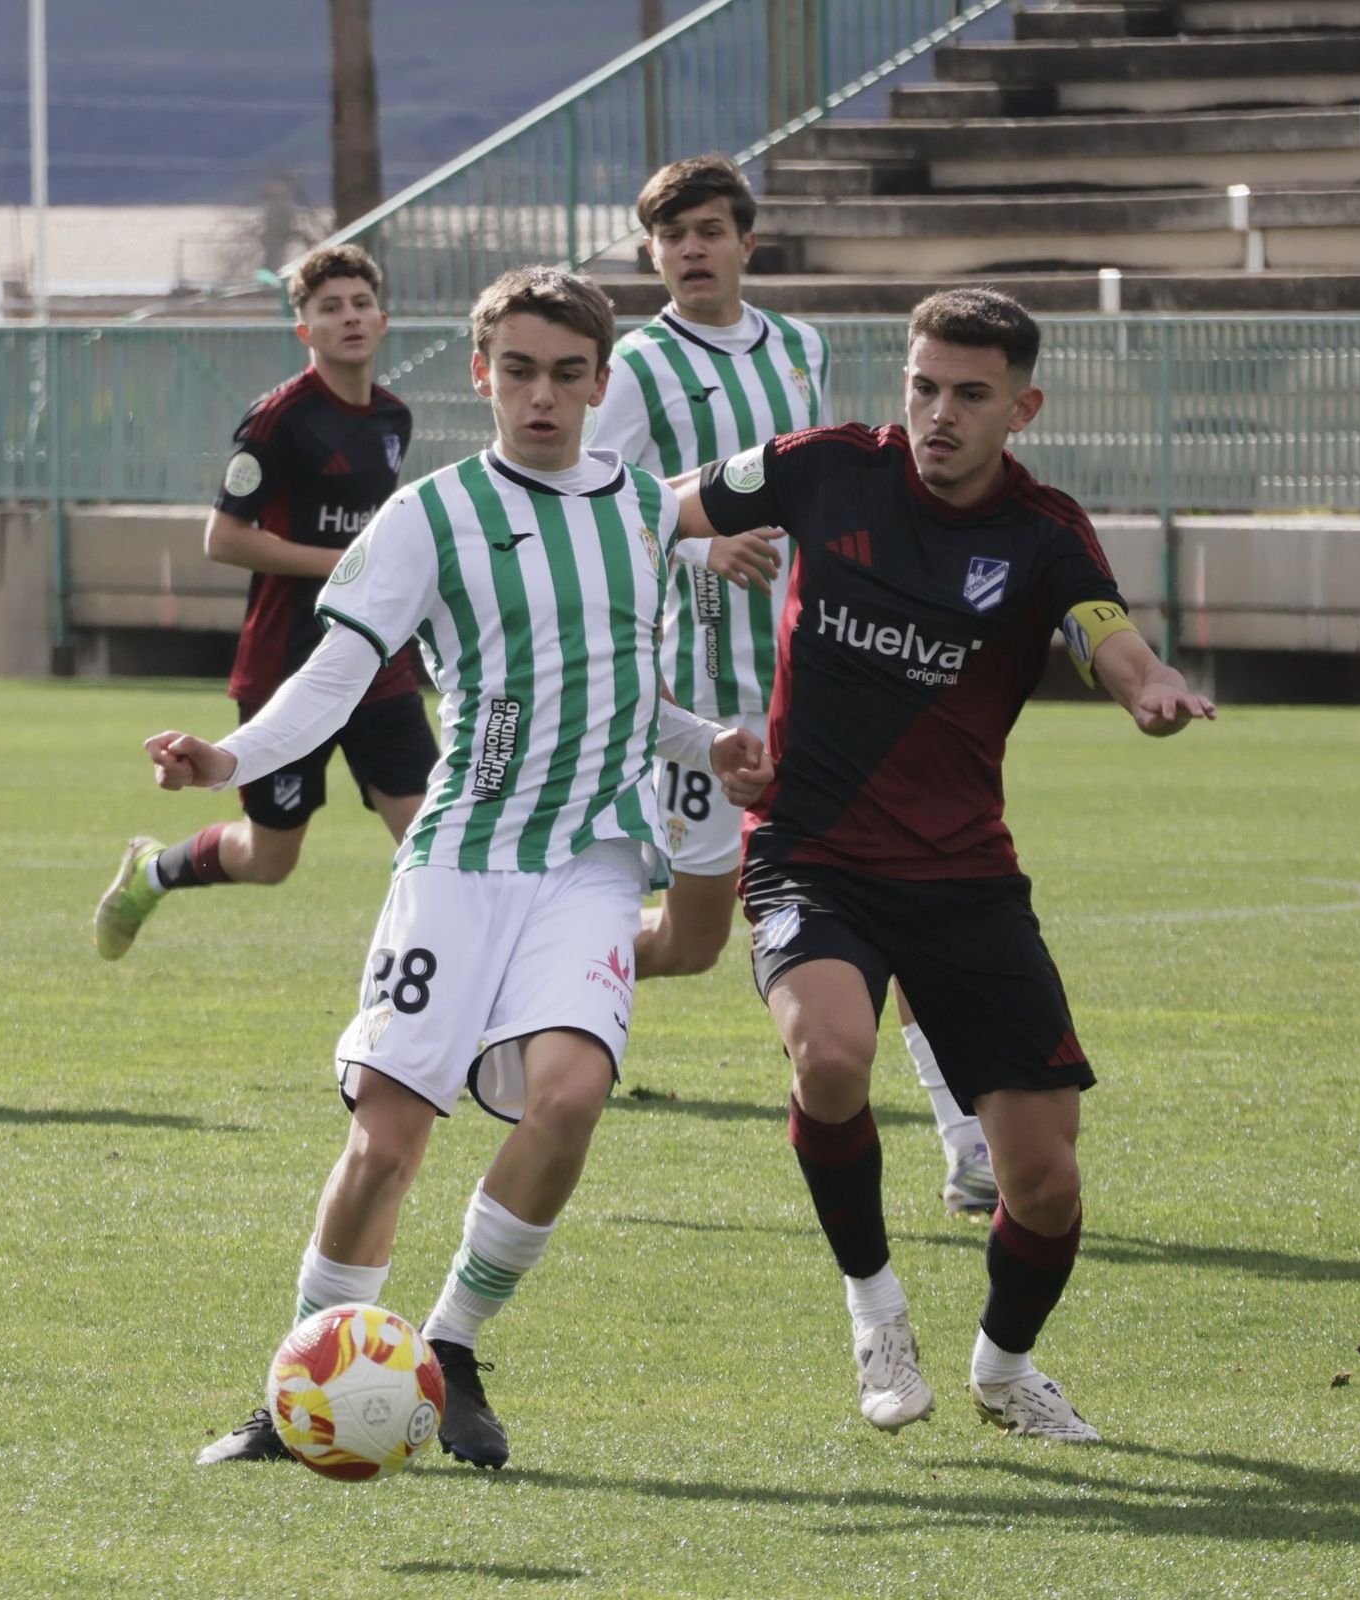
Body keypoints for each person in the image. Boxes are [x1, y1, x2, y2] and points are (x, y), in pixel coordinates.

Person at [151, 265, 772, 1470]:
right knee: (388, 1138)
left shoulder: (644, 509)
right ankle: (303, 1383)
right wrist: (227, 754)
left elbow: (631, 696)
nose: (543, 396)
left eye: (569, 373)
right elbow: (332, 680)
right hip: (456, 856)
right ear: (482, 374)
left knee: (571, 1096)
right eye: (521, 371)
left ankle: (453, 1344)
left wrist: (713, 743)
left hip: (591, 858)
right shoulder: (426, 516)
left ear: (600, 381)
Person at [673, 287, 1215, 1442]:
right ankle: (875, 1310)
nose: (938, 412)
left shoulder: (1043, 534)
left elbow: (1099, 628)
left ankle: (1002, 1367)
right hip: (809, 848)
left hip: (965, 877)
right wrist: (705, 539)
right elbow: (633, 522)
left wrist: (1149, 685)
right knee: (830, 1057)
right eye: (923, 385)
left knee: (1047, 1183)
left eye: (970, 395)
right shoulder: (818, 468)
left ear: (1022, 407)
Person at [591, 152, 996, 1215]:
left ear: (745, 242)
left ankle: (966, 1142)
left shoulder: (800, 346)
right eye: (671, 234)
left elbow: (819, 473)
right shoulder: (633, 368)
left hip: (821, 685)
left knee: (897, 898)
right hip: (703, 701)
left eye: (708, 230)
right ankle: (538, 983)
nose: (690, 249)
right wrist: (698, 549)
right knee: (688, 940)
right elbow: (596, 505)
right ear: (652, 253)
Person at [93, 243, 436, 959]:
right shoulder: (277, 421)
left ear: (383, 319)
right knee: (271, 859)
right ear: (303, 330)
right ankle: (153, 873)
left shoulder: (394, 419)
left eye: (359, 304)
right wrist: (346, 565)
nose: (348, 317)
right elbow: (223, 538)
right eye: (329, 308)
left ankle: (442, 1001)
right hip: (286, 664)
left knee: (432, 836)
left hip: (377, 664)